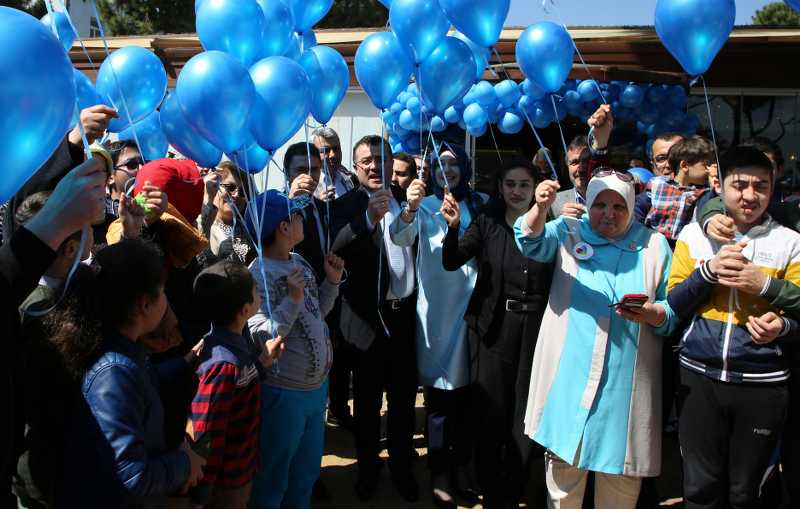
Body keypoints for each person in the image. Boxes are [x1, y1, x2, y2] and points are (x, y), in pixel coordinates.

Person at [514, 171, 676, 509]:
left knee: (619, 485)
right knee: (563, 478)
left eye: (619, 206)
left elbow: (670, 311)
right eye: (600, 204)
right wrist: (541, 208)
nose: (609, 213)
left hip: (624, 391)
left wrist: (652, 314)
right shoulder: (569, 232)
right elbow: (529, 241)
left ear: (632, 206)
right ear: (587, 203)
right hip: (568, 381)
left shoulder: (653, 245)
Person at [667, 146, 800, 509]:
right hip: (698, 379)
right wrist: (708, 272)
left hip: (763, 385)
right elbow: (673, 305)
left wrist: (779, 320)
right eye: (739, 185)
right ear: (719, 186)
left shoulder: (790, 242)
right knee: (700, 488)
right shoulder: (694, 235)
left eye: (761, 186)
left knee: (748, 491)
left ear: (773, 189)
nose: (750, 196)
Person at [440, 157, 552, 509]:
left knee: (526, 412)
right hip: (493, 330)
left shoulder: (553, 225)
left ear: (535, 188)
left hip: (537, 331)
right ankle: (491, 490)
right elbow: (452, 259)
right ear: (499, 188)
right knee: (491, 413)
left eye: (523, 185)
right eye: (510, 185)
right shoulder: (487, 221)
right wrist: (455, 227)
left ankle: (518, 483)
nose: (517, 192)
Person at [0, 157, 106, 508]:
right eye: (88, 228)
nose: (98, 233)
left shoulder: (76, 281)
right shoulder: (35, 311)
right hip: (42, 471)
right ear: (71, 248)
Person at [390, 144, 487, 507]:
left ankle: (463, 467)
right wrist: (412, 207)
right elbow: (400, 238)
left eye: (454, 163)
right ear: (430, 169)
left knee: (468, 399)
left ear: (465, 167)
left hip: (473, 313)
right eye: (440, 164)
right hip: (436, 316)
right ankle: (440, 473)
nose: (448, 170)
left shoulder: (479, 204)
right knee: (440, 401)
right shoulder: (425, 206)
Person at [75, 239, 206, 508]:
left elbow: (144, 382)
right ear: (145, 304)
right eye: (163, 291)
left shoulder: (124, 350)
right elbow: (132, 475)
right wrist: (184, 465)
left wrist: (185, 361)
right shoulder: (113, 372)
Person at [331, 135, 419, 502]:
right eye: (365, 160)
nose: (373, 166)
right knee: (367, 404)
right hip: (367, 321)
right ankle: (368, 470)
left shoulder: (407, 201)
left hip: (405, 318)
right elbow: (335, 245)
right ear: (355, 167)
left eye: (380, 159)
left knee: (402, 402)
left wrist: (410, 211)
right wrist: (368, 217)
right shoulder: (343, 205)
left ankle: (402, 468)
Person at [246, 190, 344, 509]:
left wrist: (331, 282)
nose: (303, 221)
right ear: (283, 227)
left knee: (306, 474)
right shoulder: (255, 274)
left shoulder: (298, 261)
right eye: (298, 217)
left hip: (316, 391)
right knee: (273, 478)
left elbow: (317, 314)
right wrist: (292, 300)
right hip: (283, 394)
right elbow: (263, 334)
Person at [189, 261, 265, 509]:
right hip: (227, 481)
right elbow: (208, 431)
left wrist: (263, 363)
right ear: (244, 310)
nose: (259, 291)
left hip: (241, 466)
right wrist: (203, 493)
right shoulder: (222, 365)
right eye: (255, 289)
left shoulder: (233, 343)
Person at [634, 135, 714, 243]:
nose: (710, 170)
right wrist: (637, 235)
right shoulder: (656, 184)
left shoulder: (705, 193)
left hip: (681, 247)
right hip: (651, 242)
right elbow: (639, 209)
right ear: (685, 166)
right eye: (707, 165)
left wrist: (714, 187)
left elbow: (707, 212)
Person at [549, 105, 613, 219]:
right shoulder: (554, 202)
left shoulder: (614, 197)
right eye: (574, 162)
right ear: (567, 167)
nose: (581, 168)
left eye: (586, 161)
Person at [198, 161, 255, 266]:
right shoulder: (201, 223)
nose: (237, 195)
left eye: (243, 192)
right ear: (215, 187)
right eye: (230, 188)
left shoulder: (251, 229)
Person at [312, 127, 358, 201]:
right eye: (325, 150)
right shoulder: (307, 183)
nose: (333, 155)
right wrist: (319, 206)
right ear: (313, 153)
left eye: (336, 149)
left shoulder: (351, 179)